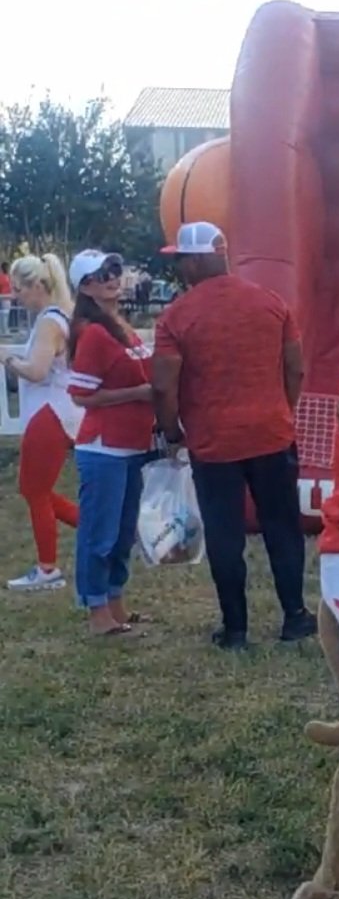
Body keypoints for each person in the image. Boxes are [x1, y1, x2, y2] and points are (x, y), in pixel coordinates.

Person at [151, 221, 316, 649]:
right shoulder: (270, 302)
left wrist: (171, 431)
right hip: (272, 432)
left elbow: (164, 385)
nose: (180, 268)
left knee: (225, 534)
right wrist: (283, 408)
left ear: (197, 259)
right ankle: (295, 616)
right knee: (283, 526)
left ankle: (236, 628)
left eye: (182, 259)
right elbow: (295, 367)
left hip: (213, 441)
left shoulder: (177, 316)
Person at [66, 250, 156, 637]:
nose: (112, 277)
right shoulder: (94, 333)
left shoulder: (119, 326)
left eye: (115, 270)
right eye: (102, 274)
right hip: (104, 447)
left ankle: (115, 602)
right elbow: (81, 395)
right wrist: (137, 392)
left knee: (121, 533)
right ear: (85, 286)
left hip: (131, 445)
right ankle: (97, 610)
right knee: (99, 533)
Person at [0, 254, 83, 590]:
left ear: (38, 285)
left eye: (19, 289)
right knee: (36, 489)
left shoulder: (49, 322)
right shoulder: (61, 316)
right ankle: (103, 532)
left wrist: (7, 358)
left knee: (35, 490)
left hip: (49, 412)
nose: (15, 295)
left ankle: (48, 568)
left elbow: (36, 370)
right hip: (58, 411)